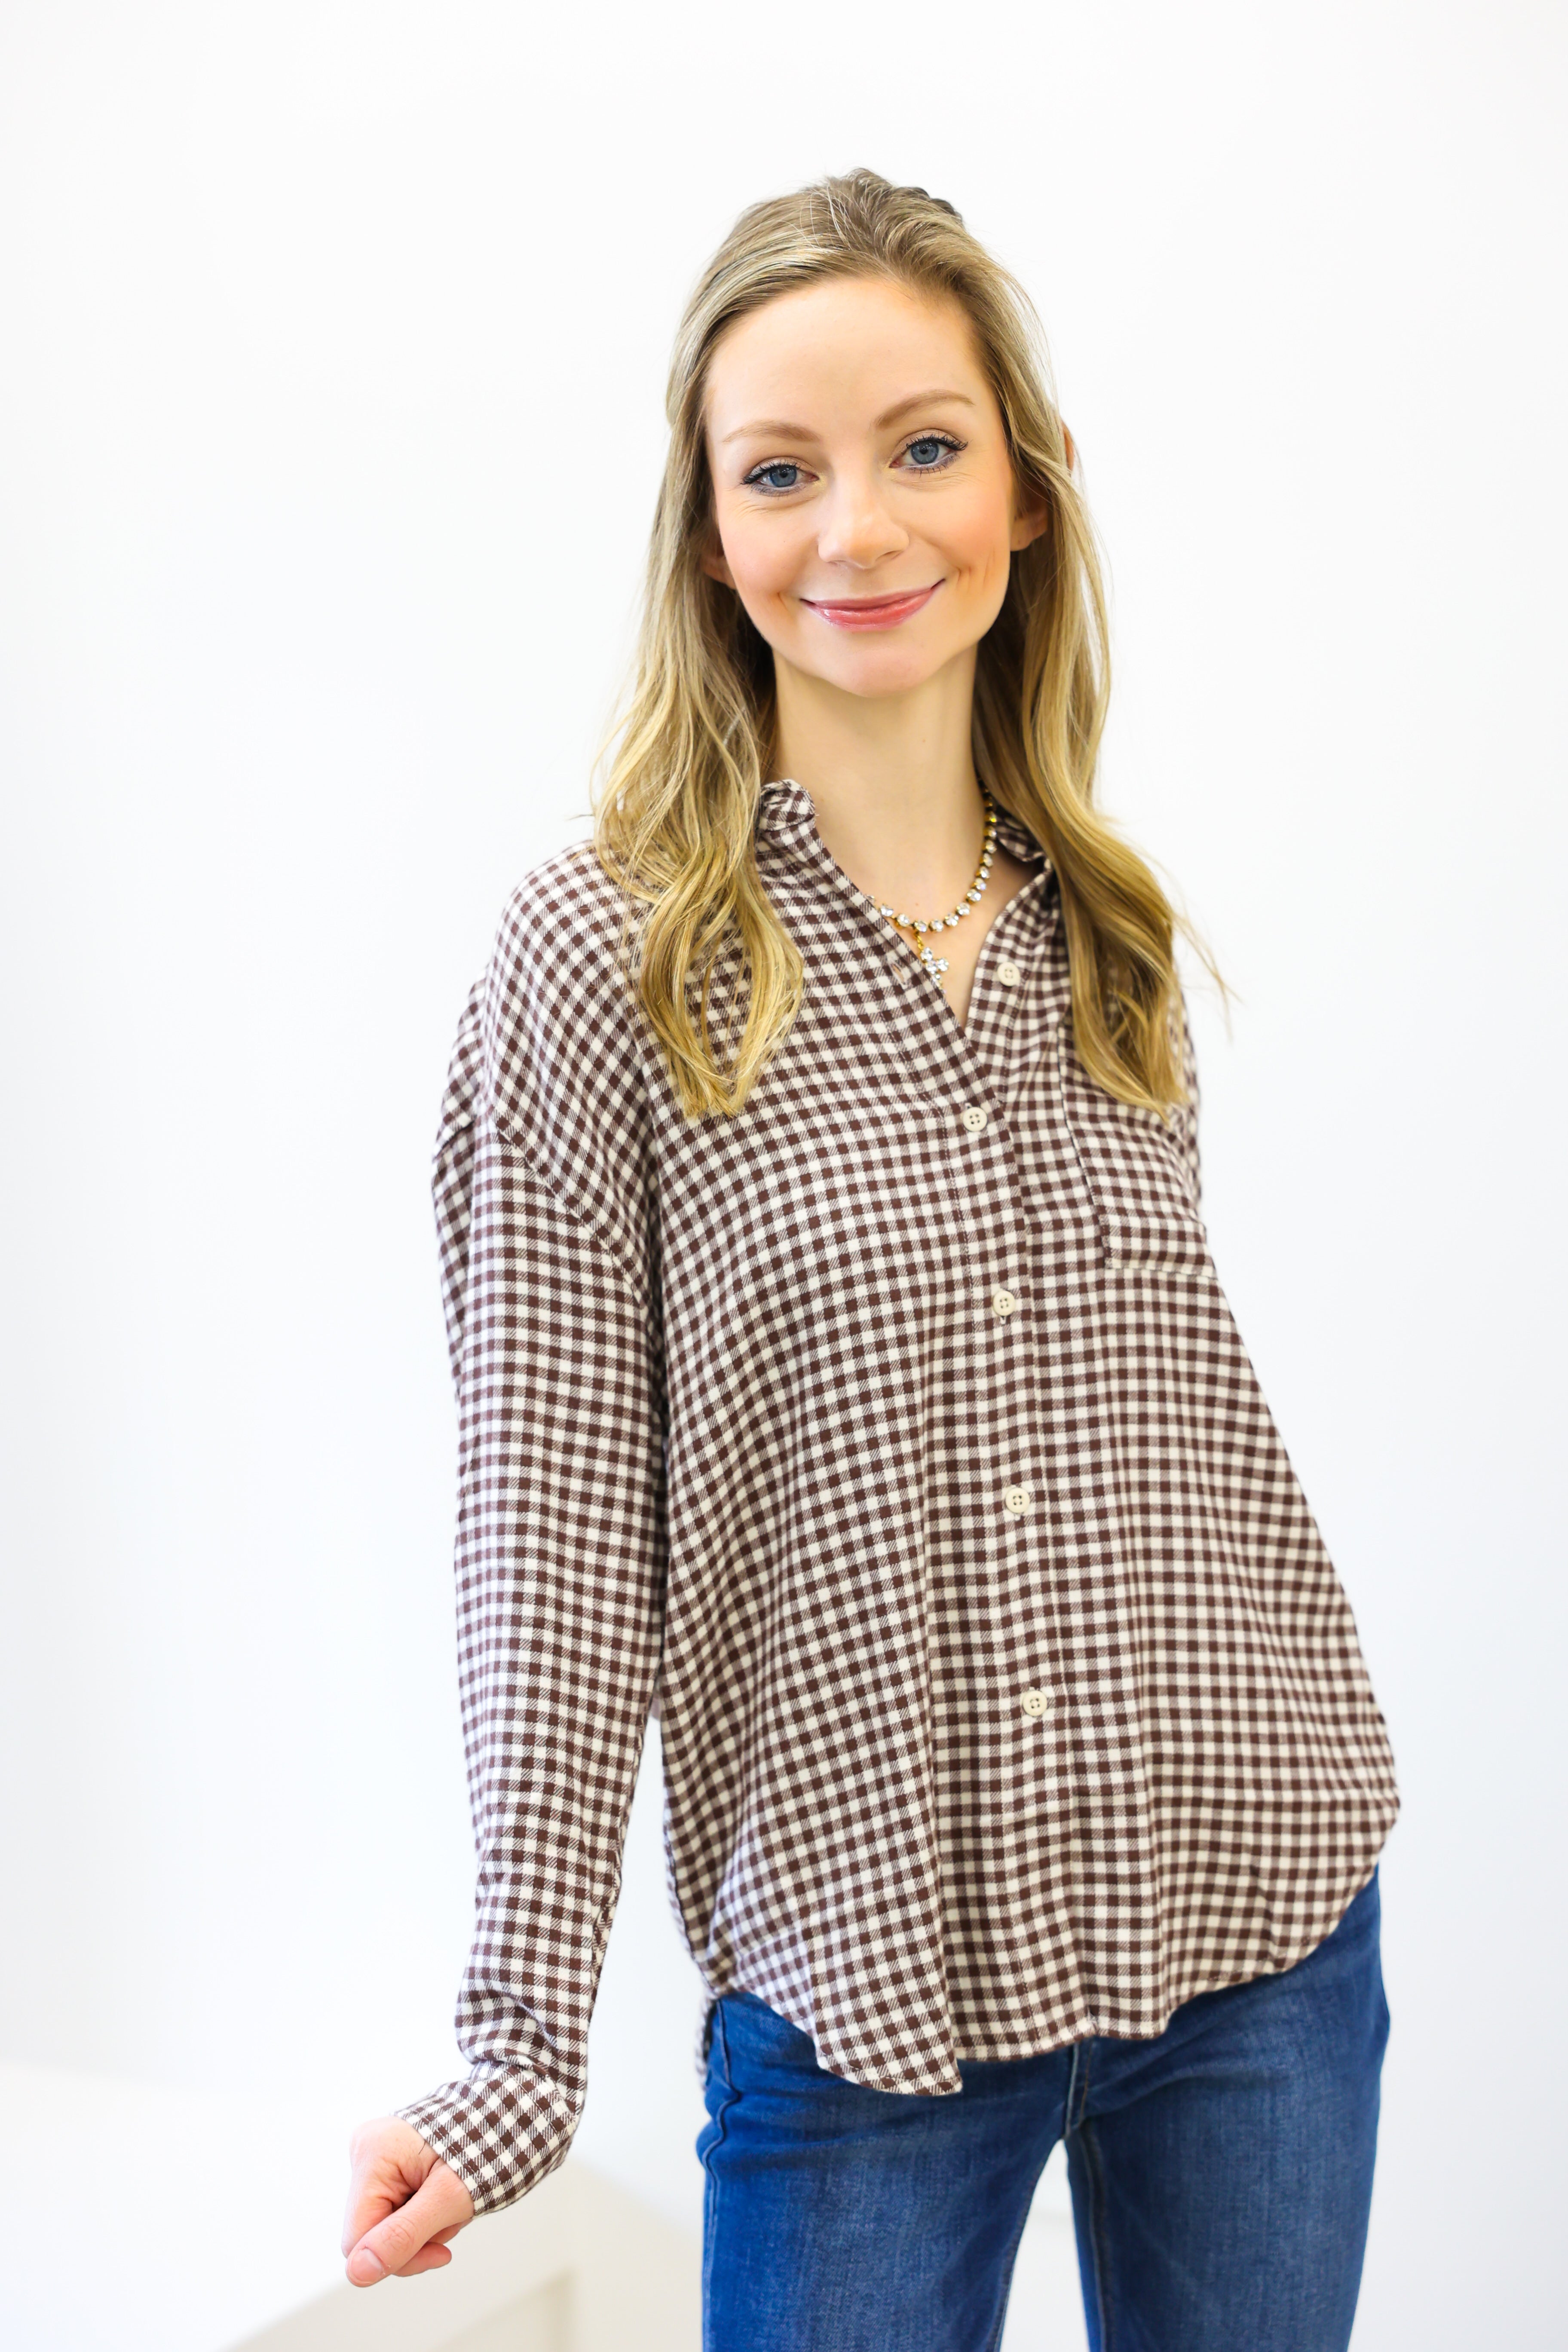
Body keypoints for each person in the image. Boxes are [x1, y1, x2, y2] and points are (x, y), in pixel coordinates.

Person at [341, 168, 1399, 2352]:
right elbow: (551, 1525)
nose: (859, 529)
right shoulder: (595, 965)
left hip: (1263, 1929)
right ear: (711, 536)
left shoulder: (1108, 936)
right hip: (861, 2007)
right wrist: (522, 2044)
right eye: (782, 472)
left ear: (1027, 492)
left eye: (925, 446)